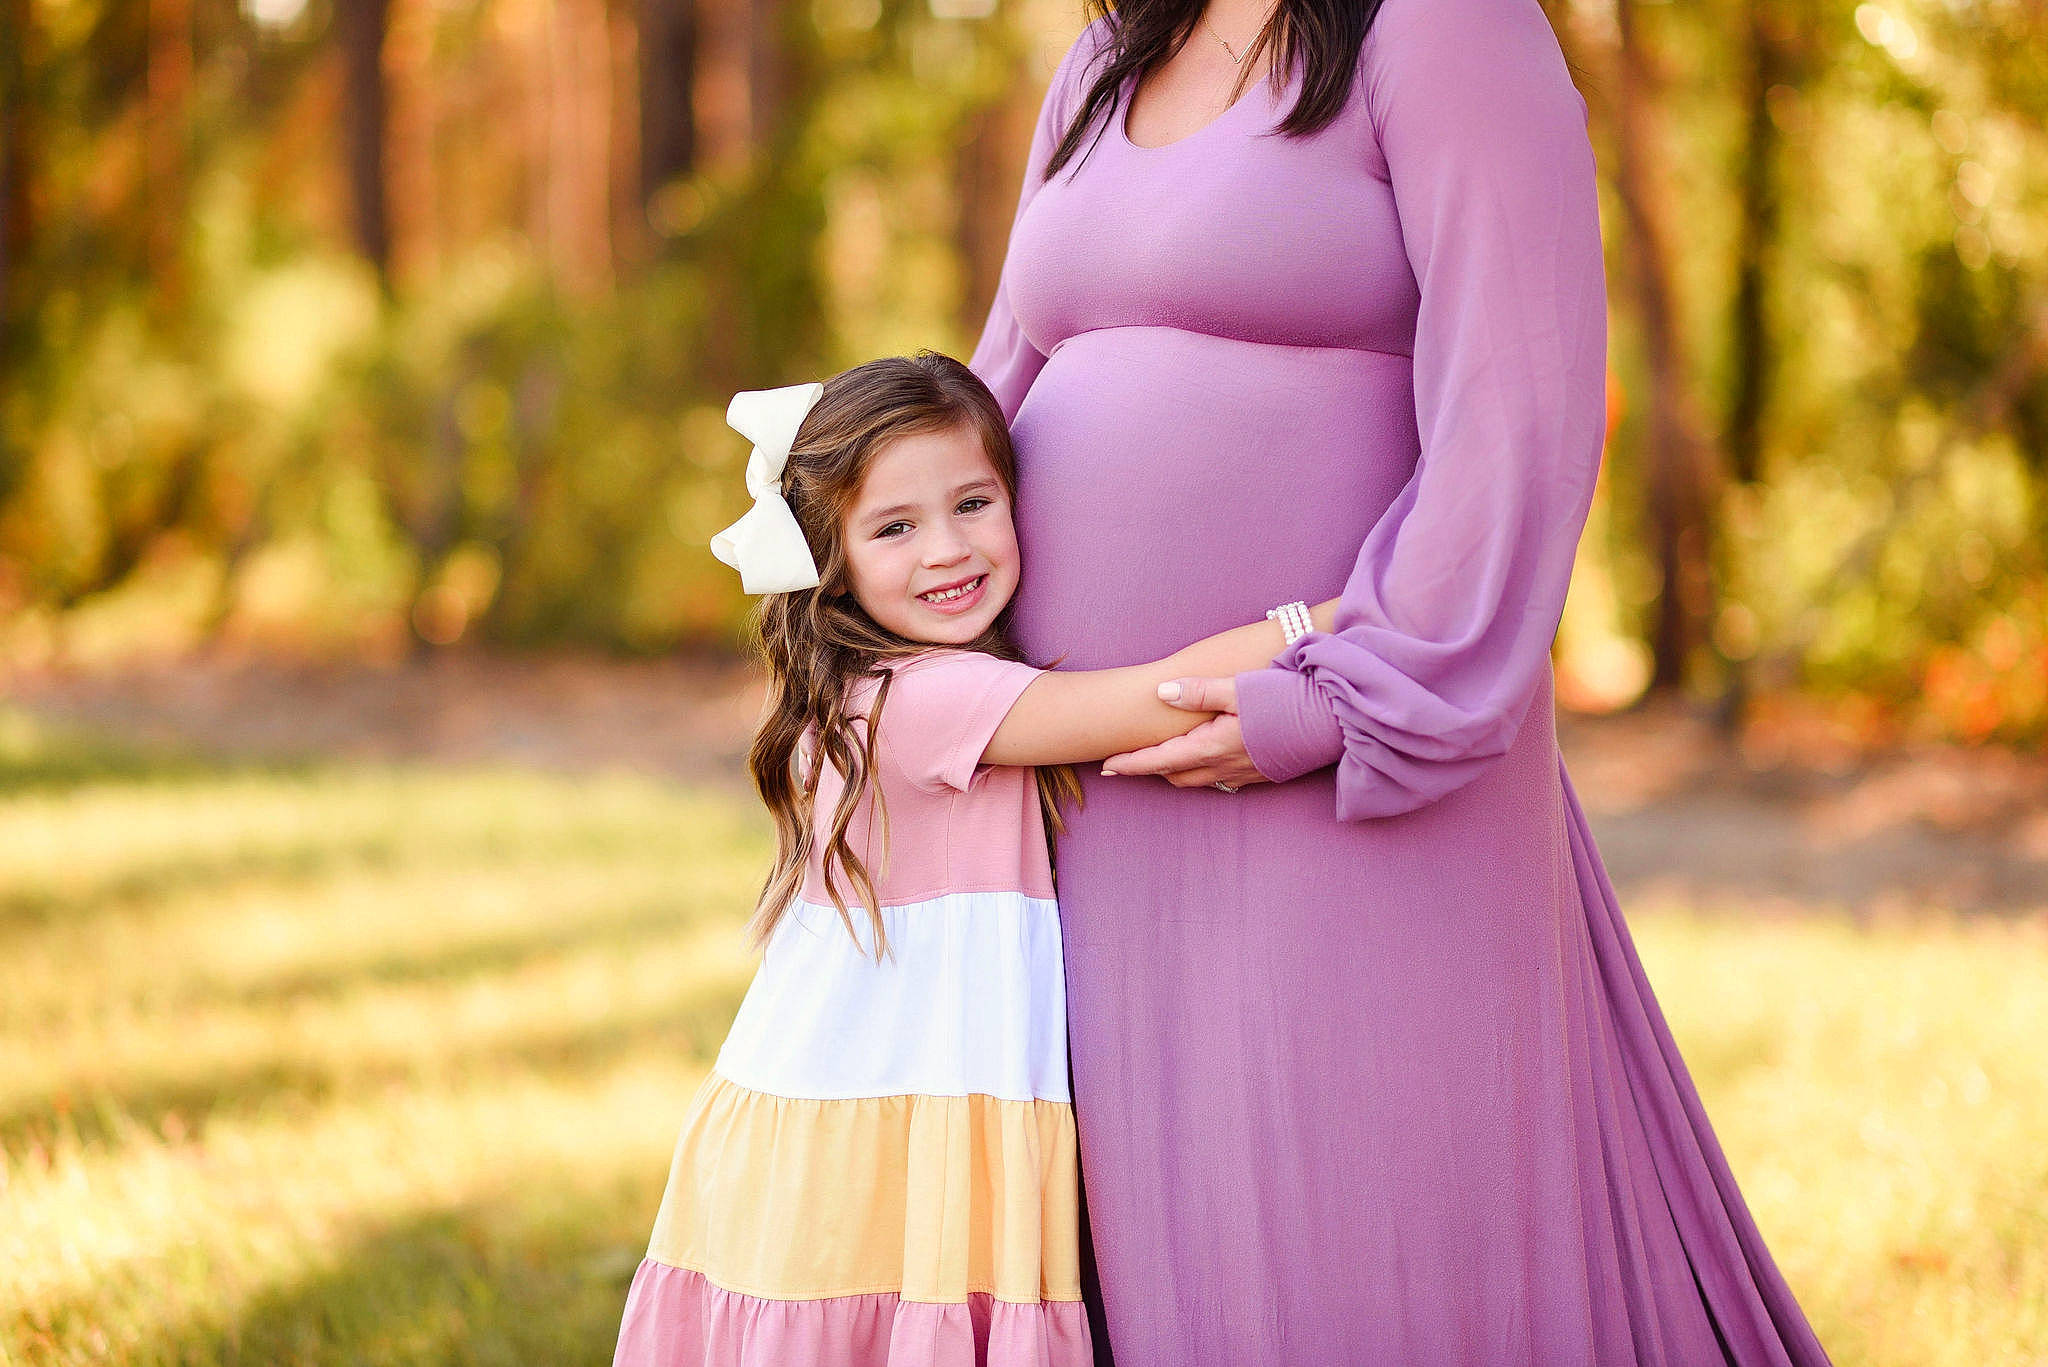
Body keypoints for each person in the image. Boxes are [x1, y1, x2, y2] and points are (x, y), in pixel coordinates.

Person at [967, 0, 1836, 1362]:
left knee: (1358, 1241)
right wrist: (881, 632)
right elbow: (996, 386)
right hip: (1104, 795)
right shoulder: (1107, 54)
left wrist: (1341, 691)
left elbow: (1519, 409)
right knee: (1159, 1236)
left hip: (1346, 769)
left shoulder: (1442, 27)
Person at [610, 351, 1337, 1367]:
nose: (946, 549)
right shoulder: (916, 699)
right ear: (833, 557)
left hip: (870, 1107)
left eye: (972, 502)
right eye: (893, 526)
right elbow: (1157, 695)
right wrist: (1342, 621)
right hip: (879, 1133)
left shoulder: (894, 685)